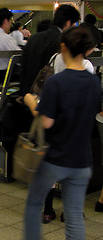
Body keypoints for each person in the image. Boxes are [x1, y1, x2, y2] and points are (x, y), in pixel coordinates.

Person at [23, 26, 101, 240]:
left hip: (55, 158)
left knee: (33, 203)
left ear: (64, 48)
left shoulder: (57, 82)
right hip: (82, 161)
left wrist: (31, 103)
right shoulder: (94, 82)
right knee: (75, 214)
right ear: (87, 50)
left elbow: (46, 123)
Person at [20, 4, 80, 96]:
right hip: (48, 96)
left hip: (28, 94)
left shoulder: (33, 38)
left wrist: (23, 93)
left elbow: (23, 67)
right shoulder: (63, 43)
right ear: (68, 23)